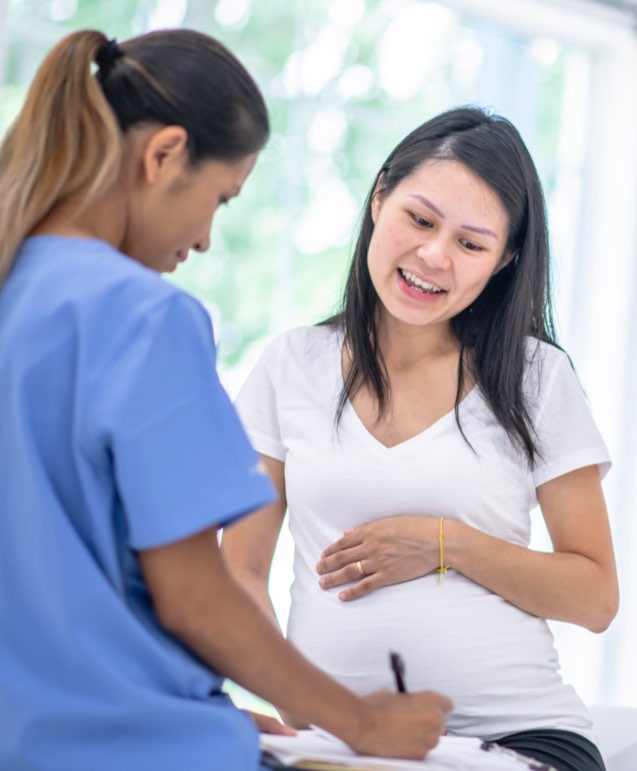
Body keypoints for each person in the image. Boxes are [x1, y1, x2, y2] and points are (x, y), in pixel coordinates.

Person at [0, 29, 452, 771]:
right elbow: (194, 595)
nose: (208, 239)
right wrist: (358, 720)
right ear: (163, 155)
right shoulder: (142, 317)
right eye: (220, 197)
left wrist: (175, 692)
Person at [222, 106, 619, 771]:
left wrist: (444, 544)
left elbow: (595, 597)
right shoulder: (292, 364)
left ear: (504, 259)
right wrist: (296, 694)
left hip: (512, 737)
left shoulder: (536, 377)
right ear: (380, 197)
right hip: (337, 741)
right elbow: (238, 570)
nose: (433, 255)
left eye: (470, 243)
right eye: (420, 219)